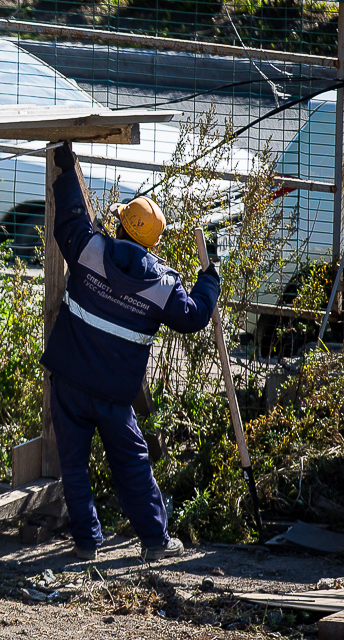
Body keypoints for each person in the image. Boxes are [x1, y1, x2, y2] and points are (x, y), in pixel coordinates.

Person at [42, 141, 220, 562]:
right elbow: (194, 317)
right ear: (153, 244)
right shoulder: (162, 285)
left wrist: (67, 170)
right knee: (133, 466)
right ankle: (156, 542)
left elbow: (69, 221)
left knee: (74, 465)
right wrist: (210, 278)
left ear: (120, 226)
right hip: (114, 395)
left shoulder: (90, 250)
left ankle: (86, 544)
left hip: (68, 381)